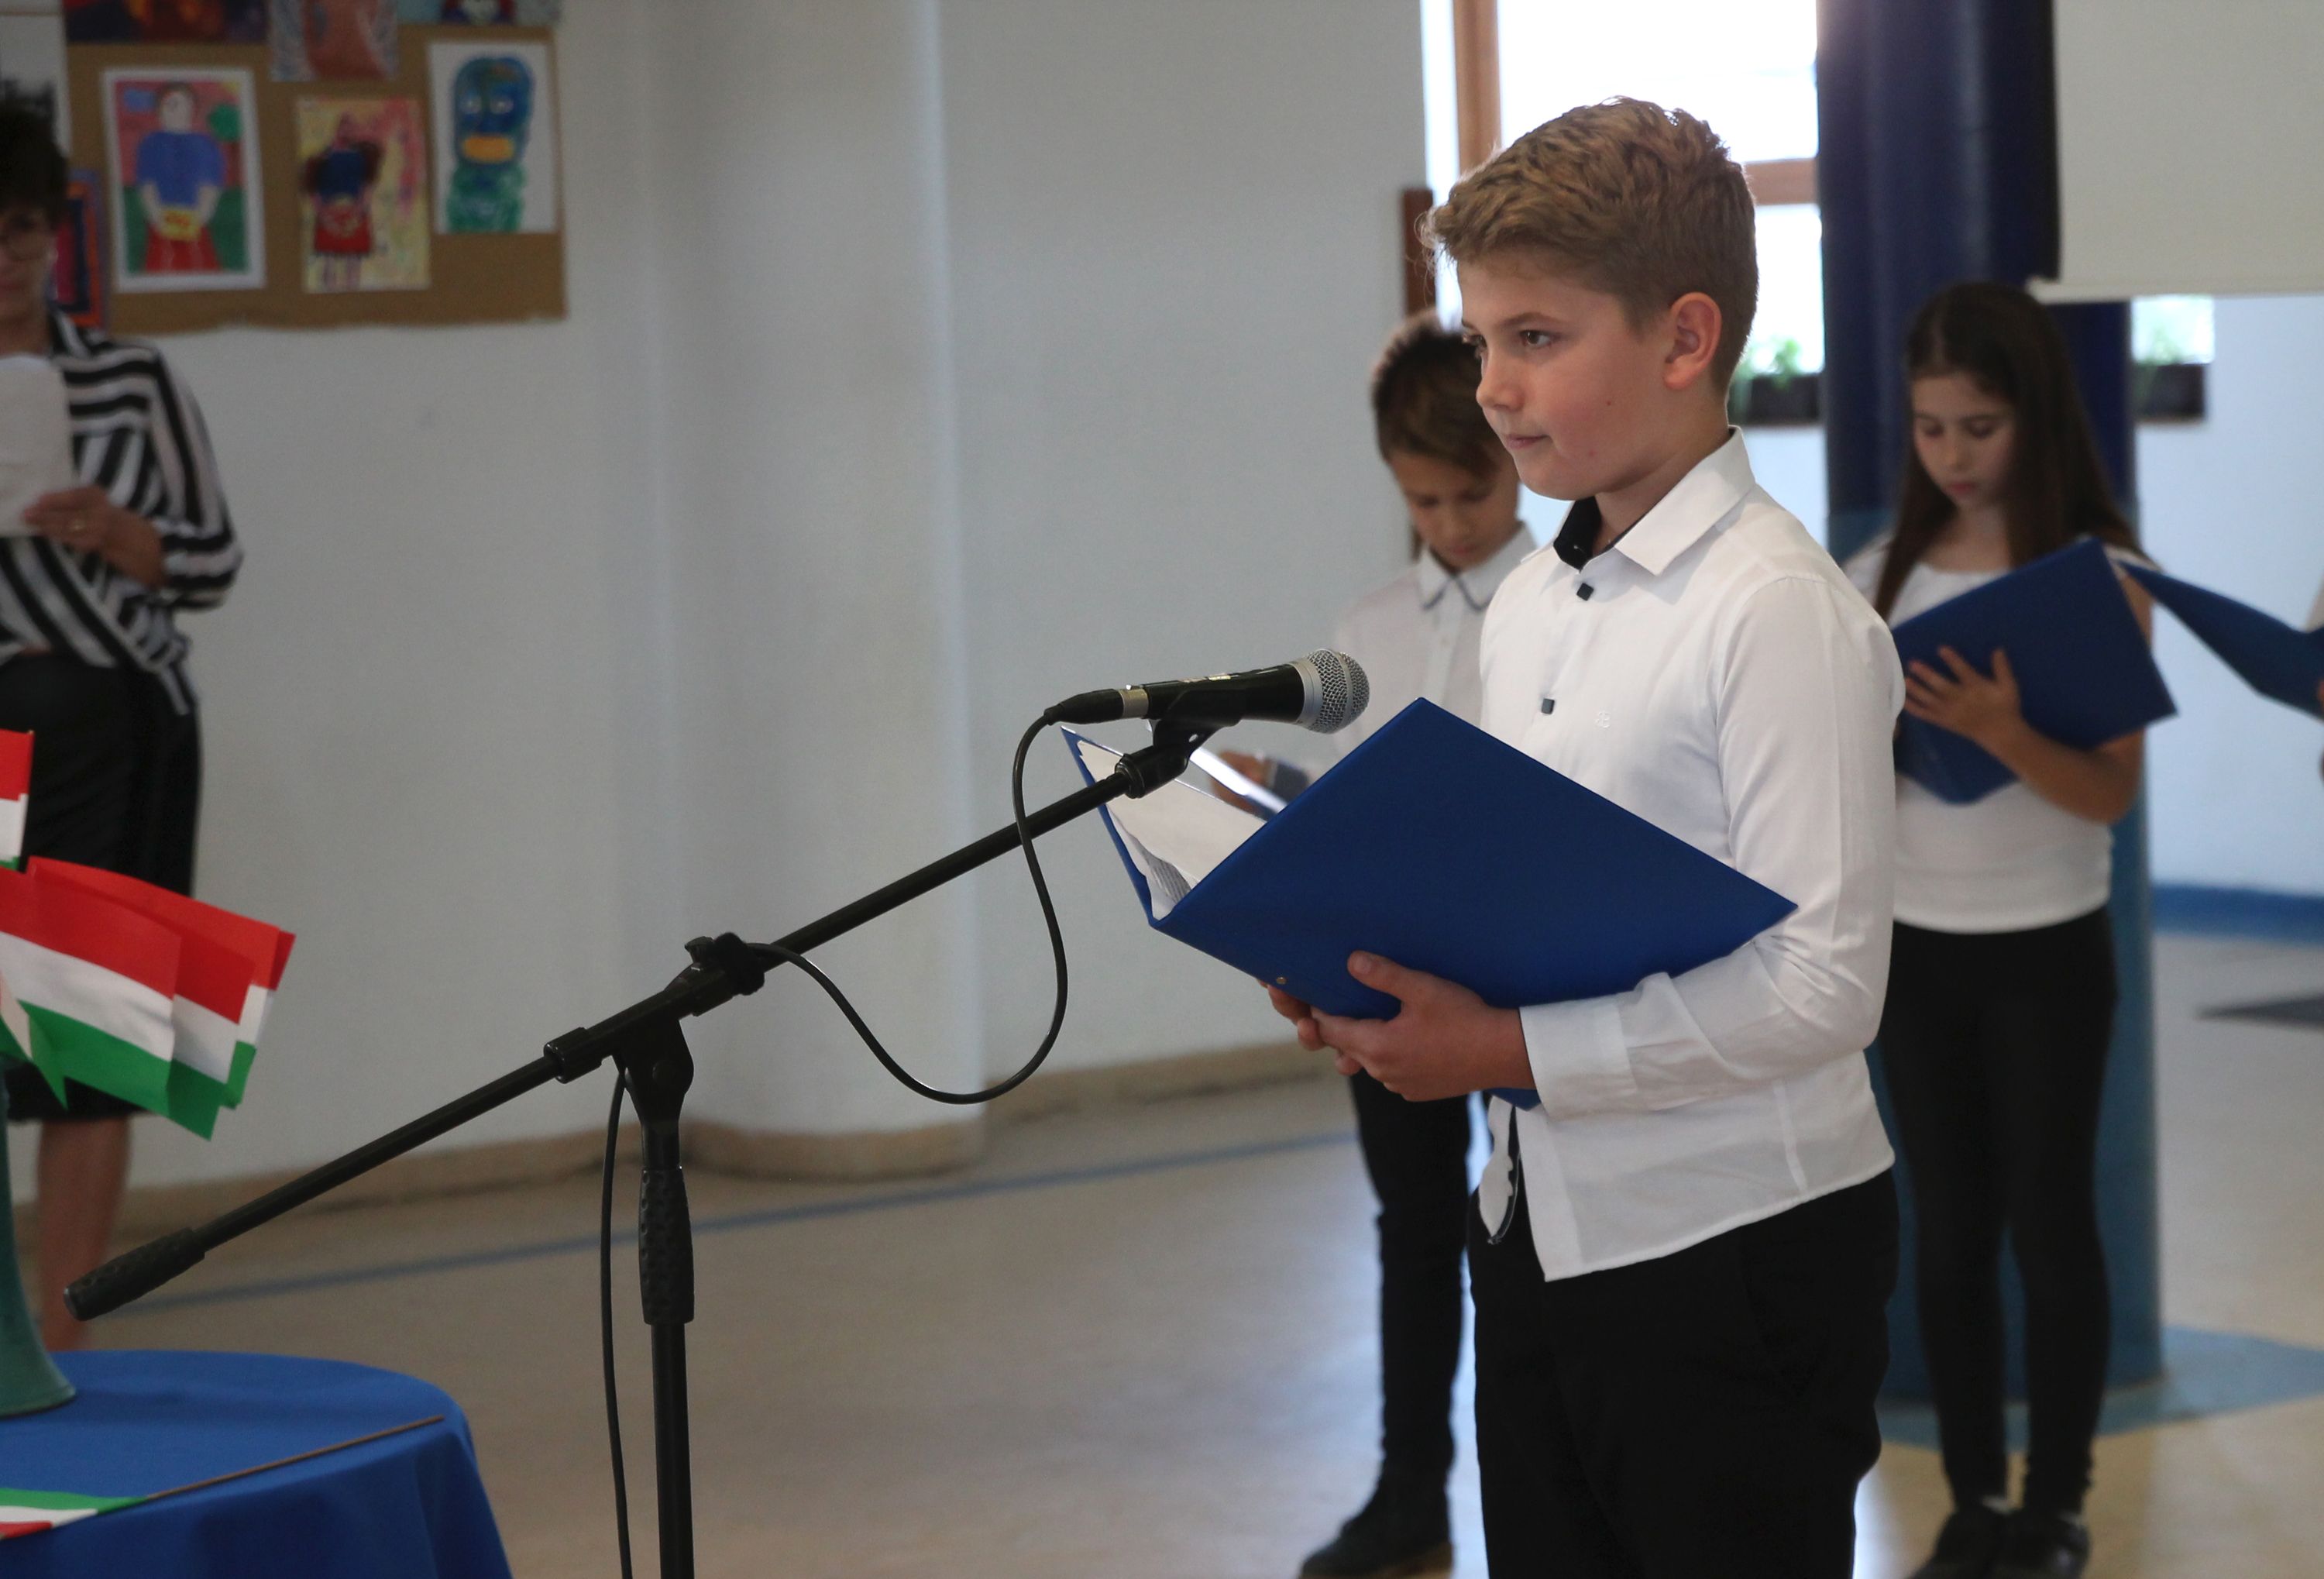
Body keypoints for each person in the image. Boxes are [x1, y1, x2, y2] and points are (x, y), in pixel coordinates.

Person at [1267, 100, 1903, 1578]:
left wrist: (1499, 1048)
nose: (1493, 387)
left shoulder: (1776, 612)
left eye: (1536, 339)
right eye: (1482, 340)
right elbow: (1515, 896)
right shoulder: (1538, 599)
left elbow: (1825, 988)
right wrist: (1365, 976)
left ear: (1686, 338)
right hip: (1535, 1223)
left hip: (1733, 1245)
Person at [1845, 280, 2156, 1579]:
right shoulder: (1878, 574)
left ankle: (2056, 1505)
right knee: (1951, 1227)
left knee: (2050, 1220)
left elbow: (2110, 790)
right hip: (1917, 946)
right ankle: (1974, 1501)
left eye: (1980, 425)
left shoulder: (2099, 578)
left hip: (2048, 944)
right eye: (1930, 428)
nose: (1954, 456)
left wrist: (2003, 731)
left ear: (2036, 414)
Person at [1218, 313, 1528, 1579]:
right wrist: (1278, 795)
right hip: (1388, 975)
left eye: (1472, 495)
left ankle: (1535, 1497)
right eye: (1422, 500)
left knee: (1521, 1237)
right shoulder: (1370, 621)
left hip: (1520, 979)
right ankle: (1410, 1495)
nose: (1450, 523)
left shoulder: (1568, 608)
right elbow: (1360, 801)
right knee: (1413, 1227)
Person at [0, 105, 242, 1350]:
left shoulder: (135, 380)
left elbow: (214, 561)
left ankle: (63, 1343)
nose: (2, 255)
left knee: (91, 1049)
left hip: (116, 731)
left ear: (54, 233)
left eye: (20, 226)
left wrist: (115, 532)